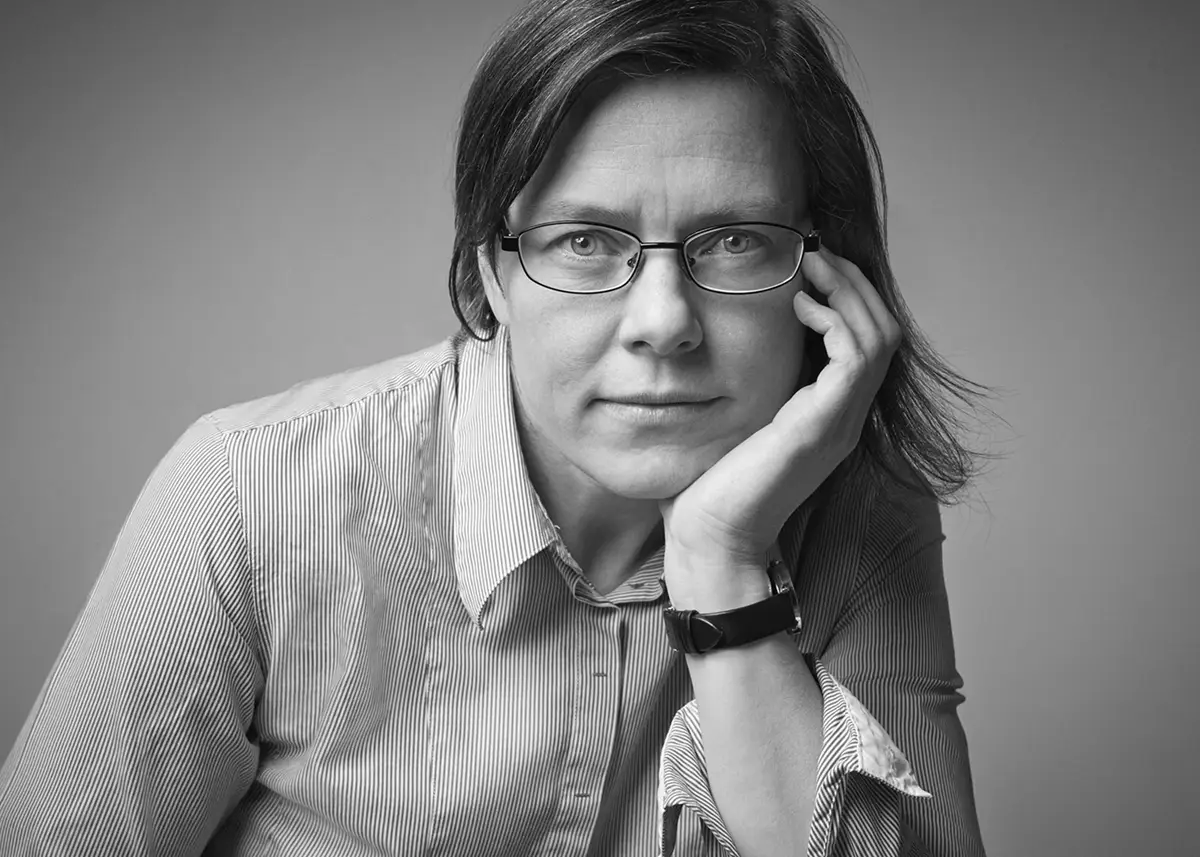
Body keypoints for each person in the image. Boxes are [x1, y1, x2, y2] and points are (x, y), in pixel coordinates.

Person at [0, 0, 994, 854]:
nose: (663, 323)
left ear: (825, 274)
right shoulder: (248, 495)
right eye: (584, 240)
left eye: (734, 240)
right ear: (491, 274)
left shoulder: (865, 517)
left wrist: (724, 565)